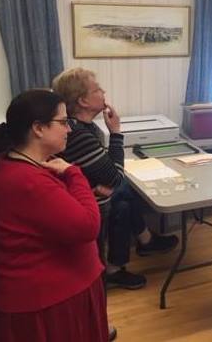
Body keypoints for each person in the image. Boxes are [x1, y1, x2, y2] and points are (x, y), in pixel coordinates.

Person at [0, 89, 109, 341]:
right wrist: (74, 173)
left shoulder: (28, 165)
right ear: (38, 128)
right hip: (46, 300)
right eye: (63, 122)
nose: (69, 130)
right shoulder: (28, 181)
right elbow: (88, 226)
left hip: (58, 291)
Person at [53, 67, 178, 290]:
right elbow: (114, 176)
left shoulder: (82, 127)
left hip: (85, 196)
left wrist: (107, 182)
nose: (104, 92)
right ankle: (144, 241)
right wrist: (117, 132)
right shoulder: (79, 135)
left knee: (123, 201)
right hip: (82, 205)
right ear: (83, 100)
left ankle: (118, 265)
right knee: (124, 189)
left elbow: (105, 172)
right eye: (98, 89)